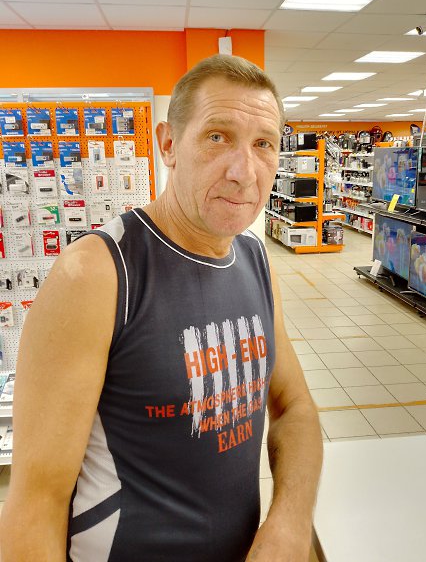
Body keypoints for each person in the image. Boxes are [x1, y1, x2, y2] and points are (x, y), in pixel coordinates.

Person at [0, 54, 323, 562]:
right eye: (217, 136)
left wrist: (290, 521)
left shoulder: (255, 260)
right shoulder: (98, 274)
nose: (244, 172)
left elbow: (295, 407)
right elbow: (35, 505)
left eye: (264, 144)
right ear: (168, 145)